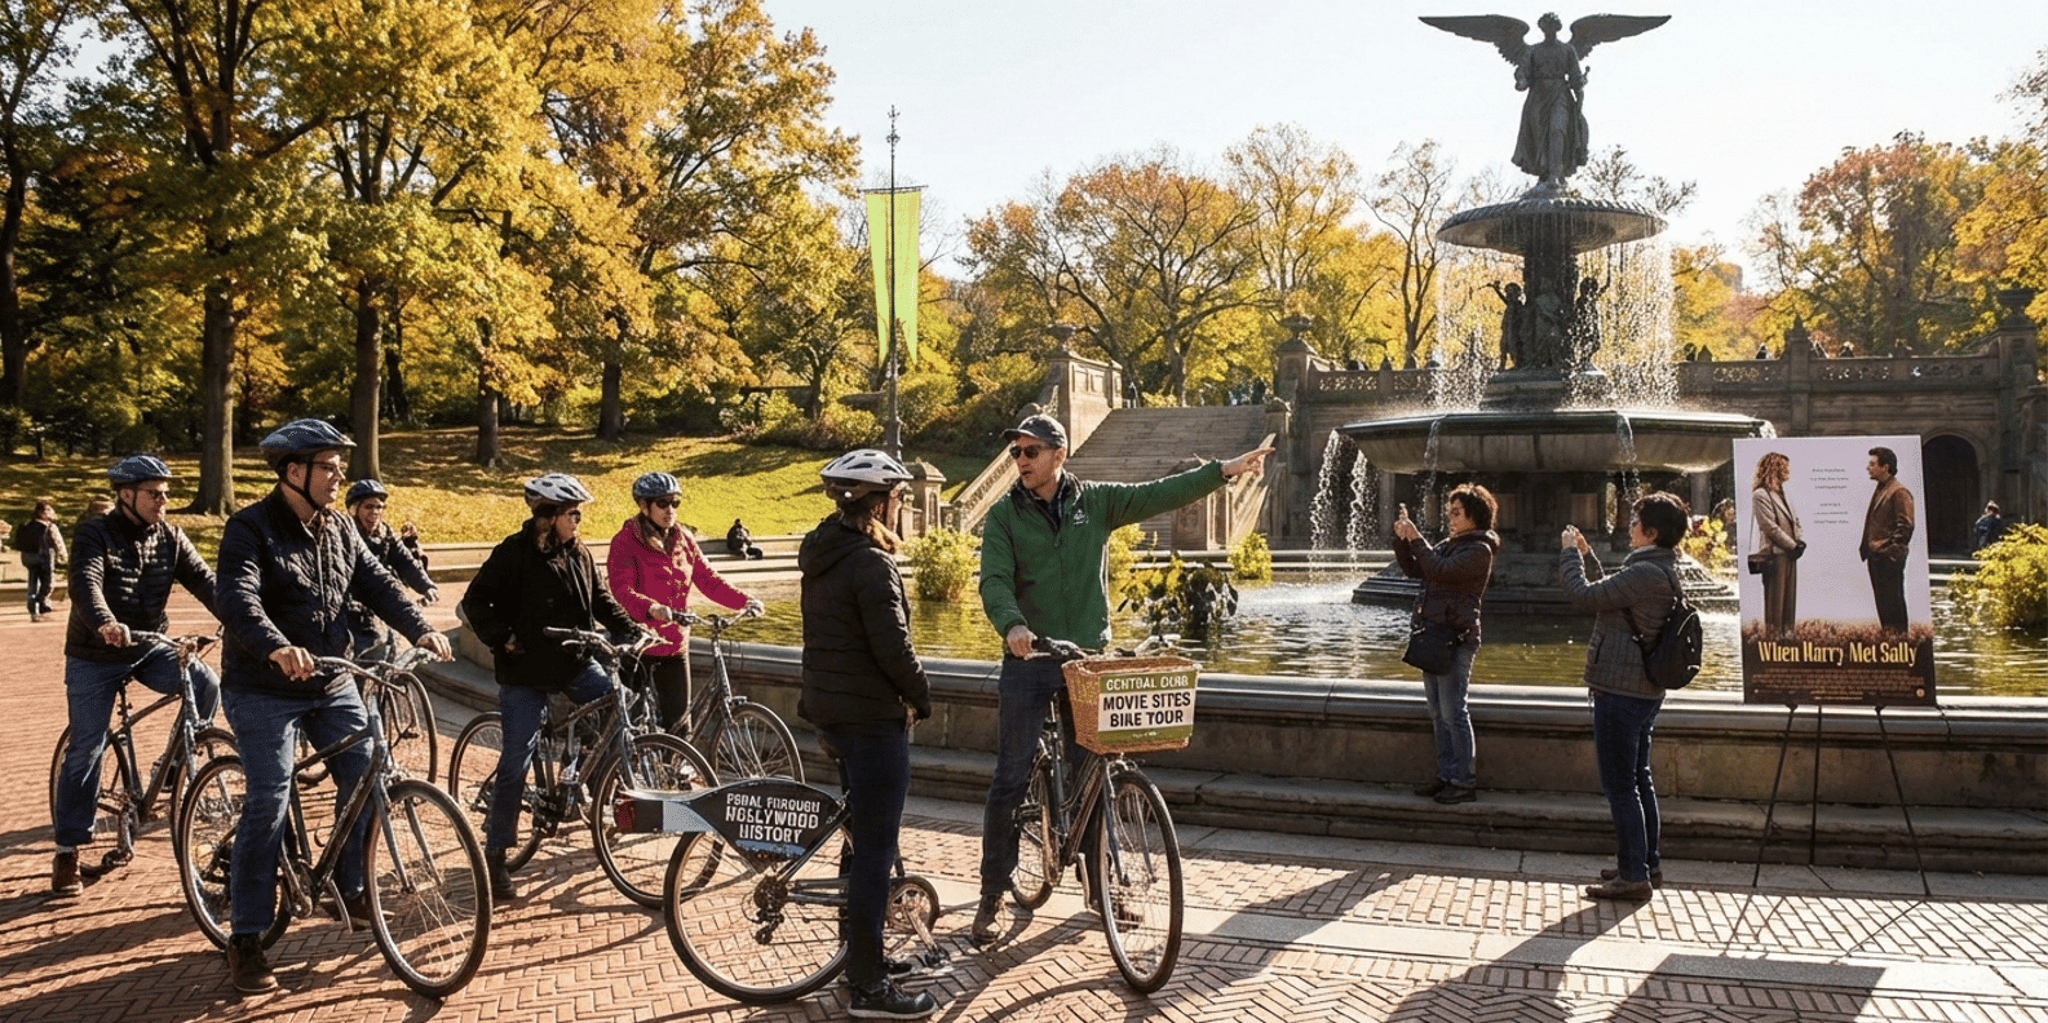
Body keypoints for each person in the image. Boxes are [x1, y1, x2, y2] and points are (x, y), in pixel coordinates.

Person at [972, 412, 1272, 944]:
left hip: (1088, 660)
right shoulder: (1003, 517)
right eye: (1016, 453)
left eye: (1030, 452)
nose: (1020, 462)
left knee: (1093, 775)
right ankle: (992, 894)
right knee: (1010, 778)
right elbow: (994, 580)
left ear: (1058, 455)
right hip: (1030, 661)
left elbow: (1160, 493)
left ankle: (1100, 886)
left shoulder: (1097, 502)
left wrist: (1224, 470)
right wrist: (1013, 623)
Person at [215, 419, 452, 994]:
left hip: (329, 678)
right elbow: (237, 598)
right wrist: (275, 646)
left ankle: (350, 886)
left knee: (369, 773)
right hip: (262, 685)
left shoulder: (341, 528)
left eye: (339, 465)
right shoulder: (249, 528)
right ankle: (246, 936)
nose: (339, 474)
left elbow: (378, 585)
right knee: (269, 797)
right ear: (294, 472)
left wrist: (420, 629)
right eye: (329, 465)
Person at [797, 449, 939, 1019]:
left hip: (833, 711)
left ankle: (860, 954)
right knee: (876, 851)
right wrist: (923, 698)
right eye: (899, 496)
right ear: (878, 502)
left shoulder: (825, 552)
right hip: (870, 718)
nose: (902, 504)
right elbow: (894, 649)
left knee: (858, 839)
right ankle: (868, 988)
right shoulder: (871, 564)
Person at [460, 472, 646, 903]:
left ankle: (579, 773)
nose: (578, 521)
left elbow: (602, 600)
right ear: (549, 516)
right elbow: (475, 602)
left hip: (572, 665)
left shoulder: (578, 552)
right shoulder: (512, 554)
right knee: (515, 761)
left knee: (622, 707)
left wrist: (634, 630)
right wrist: (504, 637)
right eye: (572, 513)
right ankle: (496, 852)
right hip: (524, 671)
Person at [51, 456, 221, 896]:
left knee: (205, 683)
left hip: (147, 647)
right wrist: (105, 622)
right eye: (154, 493)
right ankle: (67, 851)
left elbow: (206, 582)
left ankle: (173, 772)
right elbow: (85, 583)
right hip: (95, 651)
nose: (163, 501)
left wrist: (246, 622)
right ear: (125, 495)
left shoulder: (171, 536)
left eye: (166, 493)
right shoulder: (95, 532)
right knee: (87, 747)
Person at [1558, 491, 1690, 902]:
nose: (1628, 526)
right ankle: (1645, 862)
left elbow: (1584, 596)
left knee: (1620, 786)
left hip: (1620, 688)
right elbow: (1611, 593)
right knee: (1638, 779)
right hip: (1642, 689)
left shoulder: (1645, 572)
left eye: (1634, 522)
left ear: (1650, 532)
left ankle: (1633, 875)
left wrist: (1567, 555)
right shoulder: (1657, 567)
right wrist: (1587, 552)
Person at [606, 472, 761, 733]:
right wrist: (651, 608)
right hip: (638, 642)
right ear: (644, 506)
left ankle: (674, 771)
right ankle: (612, 767)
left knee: (679, 724)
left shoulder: (684, 539)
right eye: (663, 503)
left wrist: (746, 601)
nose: (670, 510)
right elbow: (622, 589)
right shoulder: (625, 541)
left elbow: (709, 580)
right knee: (626, 726)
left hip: (674, 645)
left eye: (675, 503)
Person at [1392, 486, 1500, 805]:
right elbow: (1416, 568)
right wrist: (1402, 539)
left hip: (1456, 638)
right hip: (1433, 634)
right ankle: (1446, 775)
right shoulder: (1451, 544)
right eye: (1449, 512)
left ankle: (1464, 780)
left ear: (1474, 516)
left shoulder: (1479, 549)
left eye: (1457, 512)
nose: (1450, 518)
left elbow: (1441, 571)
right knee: (1438, 713)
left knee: (1454, 712)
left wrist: (1416, 538)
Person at [343, 479, 438, 658]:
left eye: (379, 507)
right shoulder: (346, 535)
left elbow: (405, 561)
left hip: (381, 602)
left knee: (391, 652)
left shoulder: (386, 534)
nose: (375, 513)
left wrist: (427, 586)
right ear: (355, 509)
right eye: (368, 507)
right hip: (352, 611)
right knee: (362, 659)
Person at [1858, 446, 1914, 633]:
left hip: (1886, 557)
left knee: (1893, 603)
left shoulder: (1898, 491)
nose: (1868, 467)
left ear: (1885, 467)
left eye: (1872, 464)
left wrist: (1892, 553)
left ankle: (1899, 643)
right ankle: (1891, 643)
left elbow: (1906, 526)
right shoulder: (1883, 488)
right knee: (1884, 604)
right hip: (1877, 555)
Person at [1750, 452, 1803, 633]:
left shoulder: (1782, 493)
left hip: (1789, 553)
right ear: (1774, 468)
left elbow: (1794, 520)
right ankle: (1773, 640)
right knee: (1776, 601)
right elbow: (1770, 527)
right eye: (1784, 466)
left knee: (1789, 601)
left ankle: (1788, 638)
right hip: (1775, 554)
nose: (1788, 470)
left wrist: (1799, 541)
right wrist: (1793, 545)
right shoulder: (1761, 495)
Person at [20, 498, 66, 621]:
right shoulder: (49, 526)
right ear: (43, 512)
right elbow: (58, 542)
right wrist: (63, 555)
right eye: (50, 510)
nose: (52, 513)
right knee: (48, 583)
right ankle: (42, 603)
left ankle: (34, 608)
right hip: (45, 558)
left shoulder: (27, 524)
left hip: (28, 558)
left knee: (33, 584)